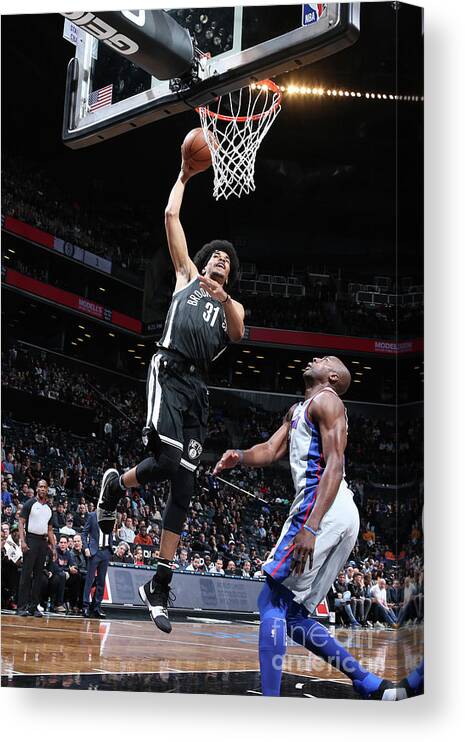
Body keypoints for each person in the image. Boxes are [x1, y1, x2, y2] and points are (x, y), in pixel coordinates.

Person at [96, 159, 245, 633]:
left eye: (226, 259)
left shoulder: (228, 307)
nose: (219, 259)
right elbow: (170, 220)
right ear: (203, 261)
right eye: (215, 255)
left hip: (196, 391)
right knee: (169, 459)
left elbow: (239, 332)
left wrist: (223, 297)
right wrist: (182, 175)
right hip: (169, 367)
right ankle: (116, 485)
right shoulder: (185, 275)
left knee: (183, 483)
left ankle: (159, 582)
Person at [214, 356, 406, 700]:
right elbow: (271, 450)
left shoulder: (328, 400)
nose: (317, 357)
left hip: (321, 505)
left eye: (326, 359)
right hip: (339, 511)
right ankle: (365, 680)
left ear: (332, 376)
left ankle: (270, 704)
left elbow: (335, 463)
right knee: (294, 615)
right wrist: (239, 456)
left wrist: (311, 526)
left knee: (271, 600)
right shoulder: (299, 410)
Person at [16, 480, 56, 617]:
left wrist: (54, 548)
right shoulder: (29, 504)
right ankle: (21, 606)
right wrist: (23, 541)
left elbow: (50, 530)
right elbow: (21, 523)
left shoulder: (49, 508)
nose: (42, 489)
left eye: (45, 487)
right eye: (40, 487)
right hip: (31, 540)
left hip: (43, 542)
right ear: (37, 489)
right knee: (26, 575)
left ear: (47, 489)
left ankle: (34, 607)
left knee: (39, 576)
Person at [81, 510, 113, 618]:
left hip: (106, 551)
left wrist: (110, 549)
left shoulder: (111, 515)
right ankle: (85, 606)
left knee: (101, 581)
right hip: (95, 551)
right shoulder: (92, 515)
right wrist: (86, 547)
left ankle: (96, 607)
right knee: (89, 580)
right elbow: (84, 533)